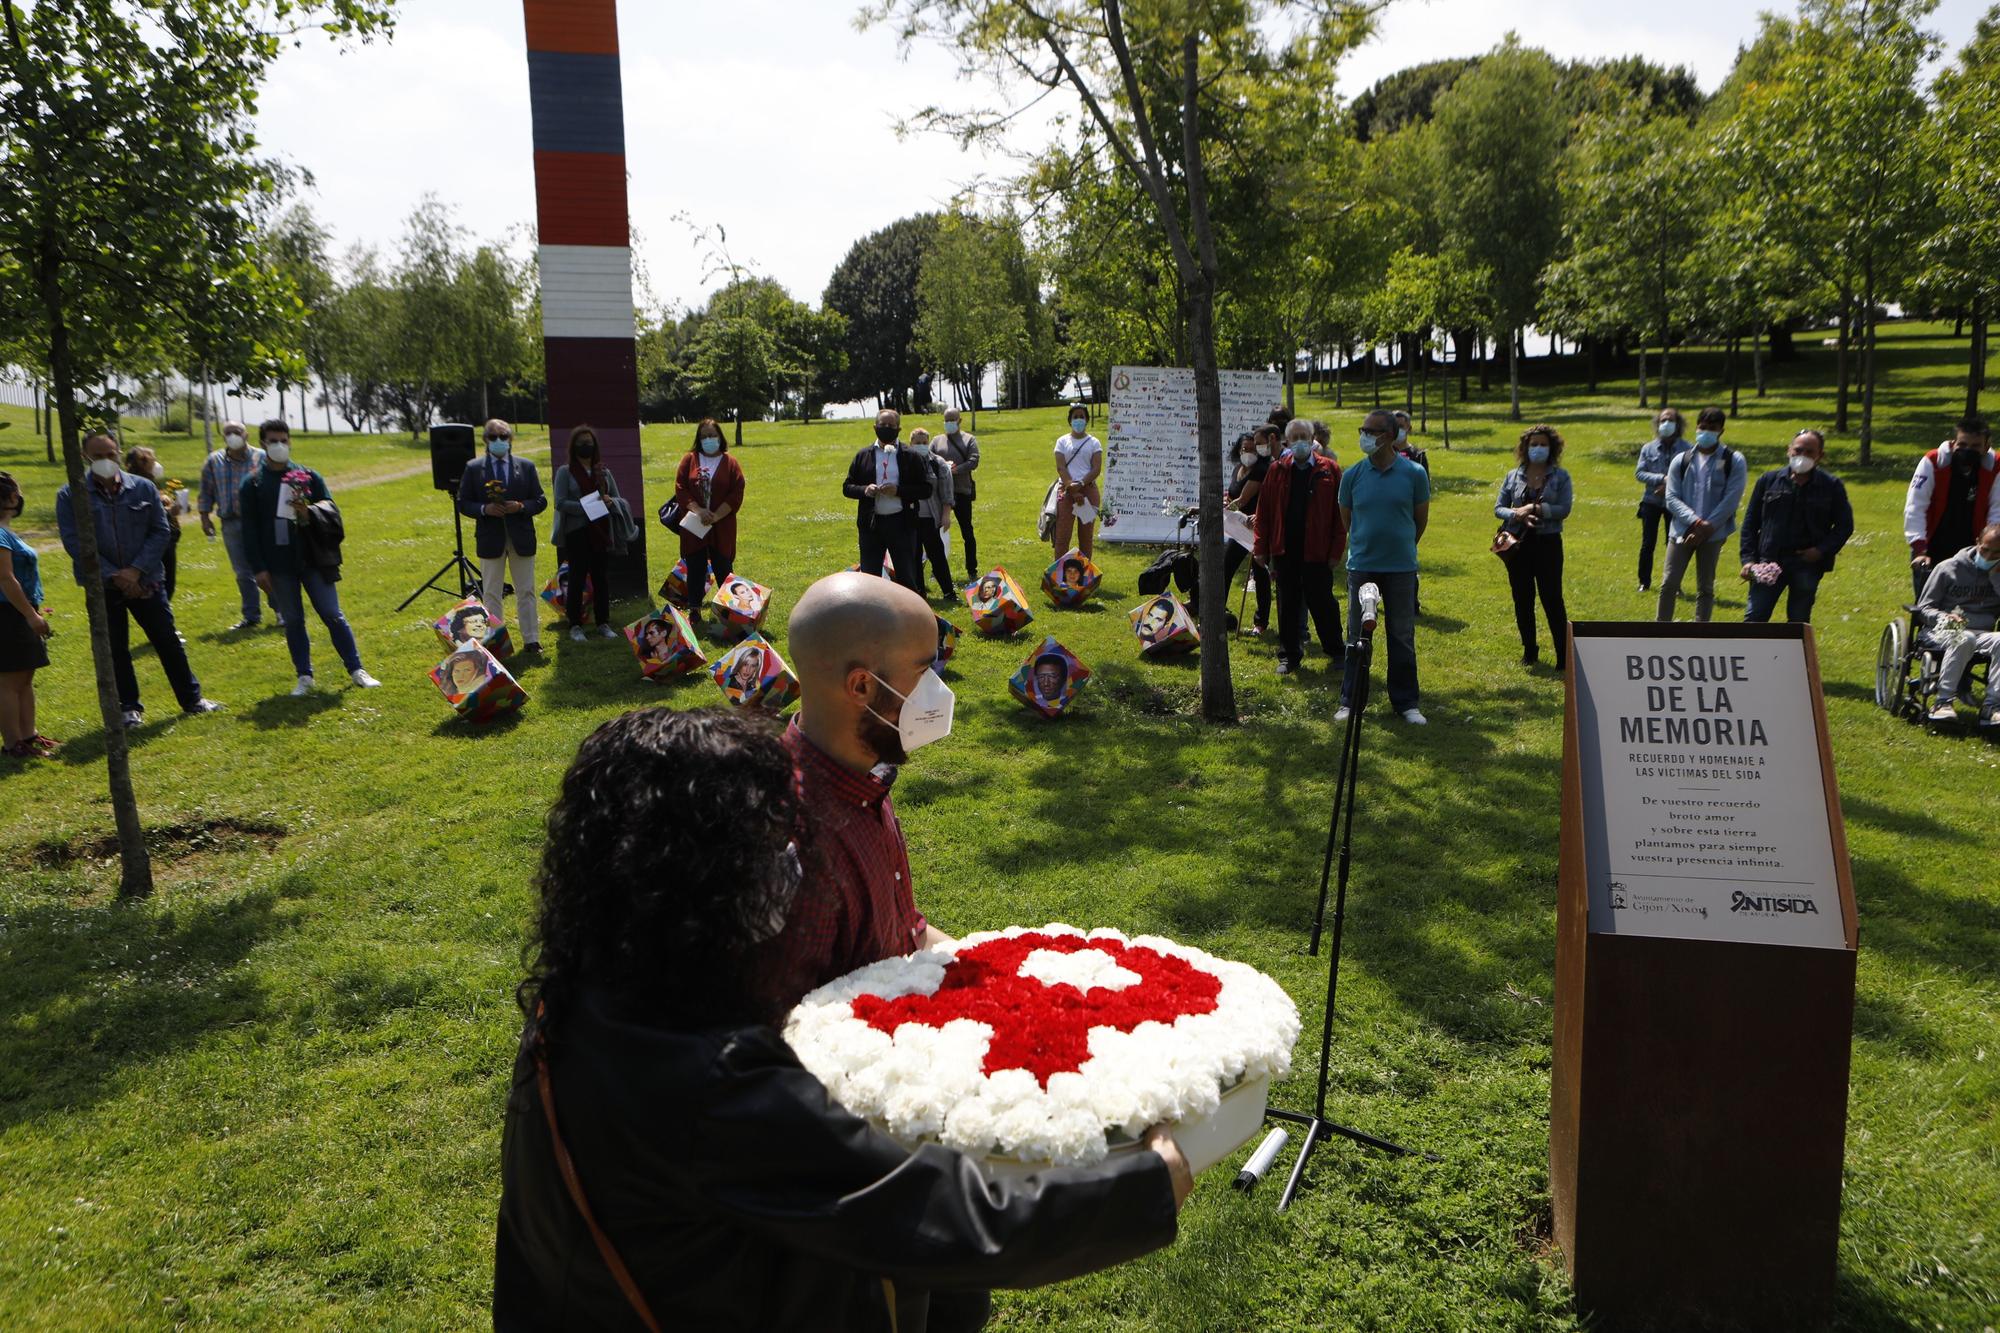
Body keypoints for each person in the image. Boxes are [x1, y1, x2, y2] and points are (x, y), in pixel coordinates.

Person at [494, 707, 1188, 1333]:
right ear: (700, 875)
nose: (788, 866)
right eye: (765, 847)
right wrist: (1145, 1184)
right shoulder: (710, 1080)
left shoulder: (583, 999)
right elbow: (938, 1216)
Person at [756, 571, 958, 1013]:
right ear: (862, 686)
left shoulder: (863, 776)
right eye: (925, 672)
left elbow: (907, 930)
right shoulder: (792, 846)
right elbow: (788, 1032)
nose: (939, 693)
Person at [56, 432, 222, 729]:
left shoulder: (143, 488)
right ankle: (128, 708)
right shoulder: (71, 494)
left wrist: (135, 571)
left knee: (167, 641)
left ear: (119, 452)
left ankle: (192, 700)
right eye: (98, 456)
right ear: (84, 457)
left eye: (111, 454)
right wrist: (115, 575)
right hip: (103, 586)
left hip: (146, 582)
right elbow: (75, 542)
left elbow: (160, 531)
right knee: (116, 648)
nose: (106, 461)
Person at [238, 420, 381, 696]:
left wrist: (308, 512)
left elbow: (331, 510)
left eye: (283, 439)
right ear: (263, 444)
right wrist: (258, 569)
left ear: (290, 441)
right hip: (278, 564)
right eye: (272, 440)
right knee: (293, 620)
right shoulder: (253, 483)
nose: (279, 445)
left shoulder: (308, 476)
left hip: (313, 558)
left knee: (332, 614)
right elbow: (249, 531)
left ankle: (356, 669)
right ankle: (304, 676)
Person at [1337, 409, 1429, 724]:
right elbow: (1347, 519)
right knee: (1357, 636)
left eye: (1370, 430)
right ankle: (1351, 701)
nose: (1363, 435)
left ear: (1388, 436)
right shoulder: (1352, 475)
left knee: (1401, 634)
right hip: (1362, 566)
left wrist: (1400, 546)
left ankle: (1406, 703)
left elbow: (1420, 521)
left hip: (1401, 568)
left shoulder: (1415, 473)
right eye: (1362, 429)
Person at [1254, 419, 1346, 678]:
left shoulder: (1330, 470)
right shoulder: (1277, 469)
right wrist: (1261, 548)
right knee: (1288, 604)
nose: (1300, 442)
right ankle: (1289, 655)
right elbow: (1265, 513)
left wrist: (1336, 551)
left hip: (1318, 551)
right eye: (1294, 438)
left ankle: (1337, 652)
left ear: (1313, 438)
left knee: (1323, 603)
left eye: (1304, 436)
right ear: (1286, 442)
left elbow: (1341, 516)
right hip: (1286, 550)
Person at [1738, 430, 1855, 625]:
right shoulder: (1768, 481)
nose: (1802, 456)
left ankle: (1793, 656)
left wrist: (1820, 551)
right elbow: (1750, 523)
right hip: (1768, 562)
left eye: (1809, 452)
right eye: (1798, 450)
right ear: (1788, 450)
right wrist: (1748, 560)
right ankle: (1748, 655)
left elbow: (1845, 526)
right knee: (1754, 618)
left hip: (1806, 565)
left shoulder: (1831, 486)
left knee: (1798, 621)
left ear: (1820, 456)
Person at [459, 418, 548, 654]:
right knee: (491, 592)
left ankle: (531, 640)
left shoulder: (526, 466)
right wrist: (484, 509)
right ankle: (495, 642)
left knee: (526, 590)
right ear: (485, 440)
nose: (499, 441)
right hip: (490, 538)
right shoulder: (473, 468)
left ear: (511, 439)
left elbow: (540, 500)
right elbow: (463, 502)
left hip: (521, 537)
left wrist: (520, 506)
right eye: (493, 437)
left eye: (504, 436)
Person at [1657, 407, 1747, 624]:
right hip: (1681, 530)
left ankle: (1701, 630)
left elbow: (1731, 499)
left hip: (1713, 533)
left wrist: (1708, 526)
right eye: (1702, 427)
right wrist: (1695, 522)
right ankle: (1660, 630)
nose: (1706, 432)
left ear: (1721, 431)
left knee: (1705, 586)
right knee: (1669, 583)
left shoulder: (1733, 460)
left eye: (1712, 429)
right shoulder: (1682, 459)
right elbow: (1671, 498)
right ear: (1697, 427)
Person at [1494, 425, 1574, 668]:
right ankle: (1530, 651)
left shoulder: (1561, 477)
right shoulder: (1513, 476)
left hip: (1548, 544)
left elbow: (1564, 509)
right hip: (1518, 546)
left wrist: (1536, 509)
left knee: (1552, 598)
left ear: (1551, 448)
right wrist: (1518, 514)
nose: (1537, 449)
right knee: (1522, 598)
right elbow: (1499, 508)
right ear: (1525, 448)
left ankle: (1563, 655)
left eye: (1543, 445)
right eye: (1533, 444)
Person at [1903, 416, 1999, 601]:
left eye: (1975, 446)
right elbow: (1915, 506)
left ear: (1986, 447)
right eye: (1962, 445)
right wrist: (1919, 548)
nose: (1967, 450)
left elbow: (1997, 510)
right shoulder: (1932, 462)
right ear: (1954, 442)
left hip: (1975, 546)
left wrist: (1992, 548)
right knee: (1928, 601)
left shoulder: (1996, 468)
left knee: (1975, 600)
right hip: (1933, 544)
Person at [1915, 523, 2000, 725]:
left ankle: (1992, 706)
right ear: (1977, 543)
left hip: (1982, 632)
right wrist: (1945, 617)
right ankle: (1943, 702)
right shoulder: (1947, 568)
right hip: (1943, 629)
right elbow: (1924, 609)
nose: (1988, 557)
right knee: (1964, 637)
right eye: (1985, 550)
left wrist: (1995, 577)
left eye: (1996, 553)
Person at [843, 409, 932, 595]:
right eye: (883, 425)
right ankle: (872, 617)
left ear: (899, 429)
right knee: (870, 579)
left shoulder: (911, 456)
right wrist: (865, 490)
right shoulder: (863, 456)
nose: (887, 429)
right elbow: (847, 487)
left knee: (907, 577)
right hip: (871, 526)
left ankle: (909, 618)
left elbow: (926, 489)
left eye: (891, 426)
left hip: (902, 524)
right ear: (875, 427)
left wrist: (899, 491)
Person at [199, 418, 277, 629]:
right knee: (243, 573)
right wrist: (204, 517)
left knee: (266, 567)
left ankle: (280, 611)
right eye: (229, 432)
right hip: (230, 522)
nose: (233, 435)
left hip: (259, 522)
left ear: (246, 435)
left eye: (237, 431)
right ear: (223, 436)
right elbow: (206, 492)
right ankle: (251, 616)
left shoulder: (261, 457)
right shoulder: (213, 461)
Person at [549, 425, 624, 643]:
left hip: (600, 531)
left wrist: (609, 502)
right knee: (577, 578)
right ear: (574, 447)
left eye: (589, 442)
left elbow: (616, 498)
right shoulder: (565, 472)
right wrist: (588, 507)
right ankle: (575, 625)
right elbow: (560, 502)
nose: (586, 446)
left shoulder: (604, 471)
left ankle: (603, 622)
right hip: (577, 532)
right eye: (581, 442)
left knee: (601, 578)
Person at [0, 472, 56, 758]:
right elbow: (6, 579)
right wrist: (30, 615)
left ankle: (28, 736)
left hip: (20, 610)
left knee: (24, 679)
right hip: (8, 613)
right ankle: (12, 744)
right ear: (12, 498)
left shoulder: (6, 531)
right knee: (9, 682)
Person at [674, 418, 745, 625]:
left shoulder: (730, 463)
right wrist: (699, 511)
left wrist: (716, 515)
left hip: (721, 524)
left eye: (712, 435)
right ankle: (694, 610)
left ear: (720, 437)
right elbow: (681, 488)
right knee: (695, 567)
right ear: (698, 439)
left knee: (723, 565)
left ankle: (729, 612)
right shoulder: (689, 460)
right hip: (696, 523)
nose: (709, 439)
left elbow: (736, 492)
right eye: (704, 436)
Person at [1222, 432, 1272, 636]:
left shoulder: (1260, 471)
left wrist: (1228, 505)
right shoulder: (1237, 470)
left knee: (1260, 573)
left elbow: (1241, 500)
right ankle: (1218, 611)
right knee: (1225, 568)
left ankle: (1261, 623)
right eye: (1245, 449)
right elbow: (1232, 495)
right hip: (1238, 528)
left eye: (1252, 449)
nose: (1248, 453)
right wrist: (1226, 501)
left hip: (1255, 528)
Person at [1635, 407, 1689, 593]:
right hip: (1651, 502)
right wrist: (1660, 479)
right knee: (1647, 544)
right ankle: (1644, 582)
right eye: (1663, 420)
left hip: (1675, 504)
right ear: (1658, 424)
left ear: (1678, 424)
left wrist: (1669, 485)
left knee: (1674, 545)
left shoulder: (1688, 449)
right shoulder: (1648, 448)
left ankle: (1674, 584)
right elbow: (1640, 473)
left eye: (1671, 420)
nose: (1666, 423)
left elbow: (1691, 475)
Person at [123, 445, 184, 603]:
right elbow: (142, 514)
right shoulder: (137, 485)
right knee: (163, 583)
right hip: (156, 544)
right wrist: (169, 512)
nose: (156, 464)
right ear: (143, 463)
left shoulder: (150, 483)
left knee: (168, 583)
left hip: (167, 541)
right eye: (153, 460)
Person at [910, 427, 957, 600]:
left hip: (930, 517)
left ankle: (948, 592)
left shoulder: (938, 463)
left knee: (936, 555)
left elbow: (947, 494)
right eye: (917, 443)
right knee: (913, 556)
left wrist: (946, 515)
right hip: (910, 517)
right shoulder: (904, 461)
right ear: (911, 443)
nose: (921, 446)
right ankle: (919, 593)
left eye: (924, 442)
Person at [1052, 404, 1103, 559]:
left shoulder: (1094, 442)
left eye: (1082, 416)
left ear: (1087, 419)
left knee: (1086, 537)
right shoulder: (1062, 441)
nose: (1078, 420)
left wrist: (1080, 485)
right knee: (1062, 536)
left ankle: (1085, 577)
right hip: (1067, 492)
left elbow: (1096, 468)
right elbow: (1061, 468)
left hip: (1088, 492)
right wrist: (1073, 490)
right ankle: (1059, 575)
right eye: (1075, 417)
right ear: (1070, 420)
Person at [934, 409, 980, 575]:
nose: (949, 423)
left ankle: (971, 568)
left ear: (960, 420)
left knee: (967, 531)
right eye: (946, 420)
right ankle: (937, 569)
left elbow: (974, 460)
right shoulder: (937, 441)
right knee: (936, 532)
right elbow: (929, 460)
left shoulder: (969, 439)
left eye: (952, 419)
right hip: (940, 493)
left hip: (962, 491)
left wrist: (956, 470)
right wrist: (942, 469)